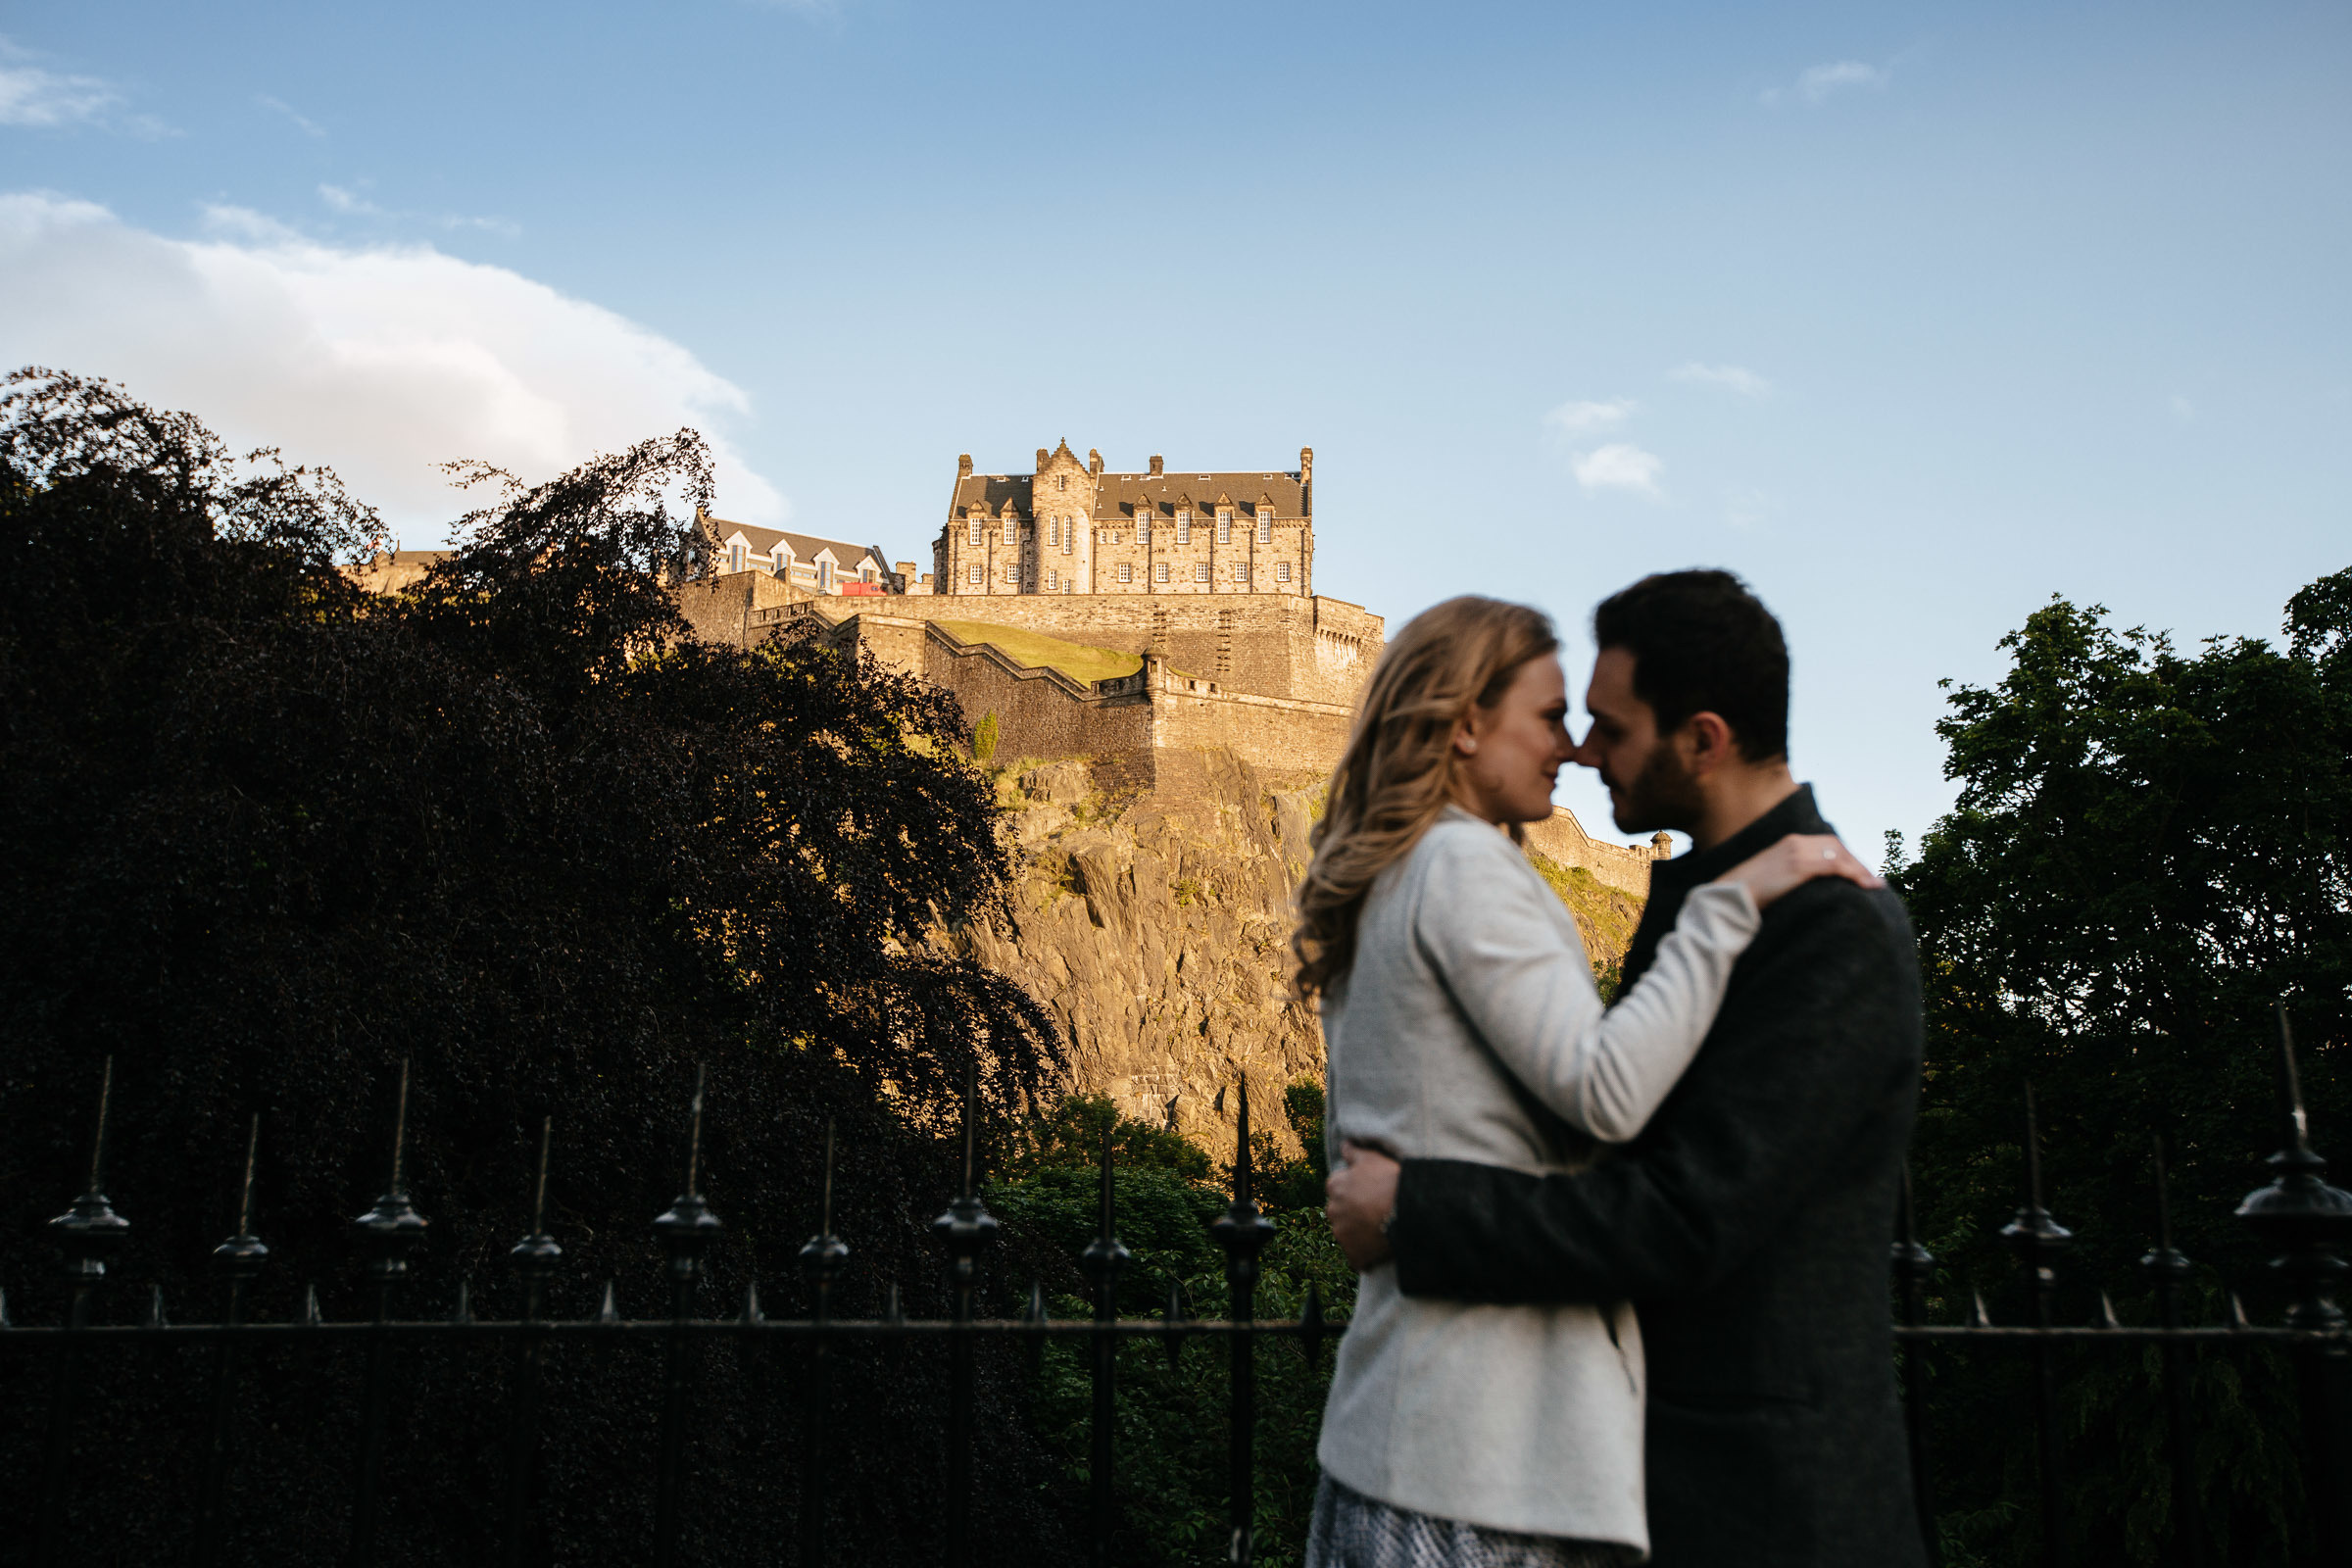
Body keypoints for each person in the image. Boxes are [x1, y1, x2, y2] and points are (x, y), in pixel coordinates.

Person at [1323, 570, 1929, 1568]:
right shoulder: (1700, 898)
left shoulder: (1831, 925)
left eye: (1607, 725)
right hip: (1622, 1474)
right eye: (1568, 719)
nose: (1583, 749)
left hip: (1764, 1502)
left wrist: (1415, 1207)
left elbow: (1682, 1213)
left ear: (1702, 738)